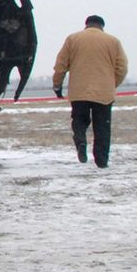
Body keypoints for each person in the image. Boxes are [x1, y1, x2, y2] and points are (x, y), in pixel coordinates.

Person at [51, 14, 128, 168]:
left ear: (86, 25)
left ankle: (80, 141)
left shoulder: (73, 39)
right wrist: (111, 85)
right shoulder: (113, 42)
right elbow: (122, 68)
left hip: (79, 91)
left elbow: (61, 65)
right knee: (102, 127)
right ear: (102, 26)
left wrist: (57, 85)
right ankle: (101, 161)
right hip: (104, 93)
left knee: (79, 120)